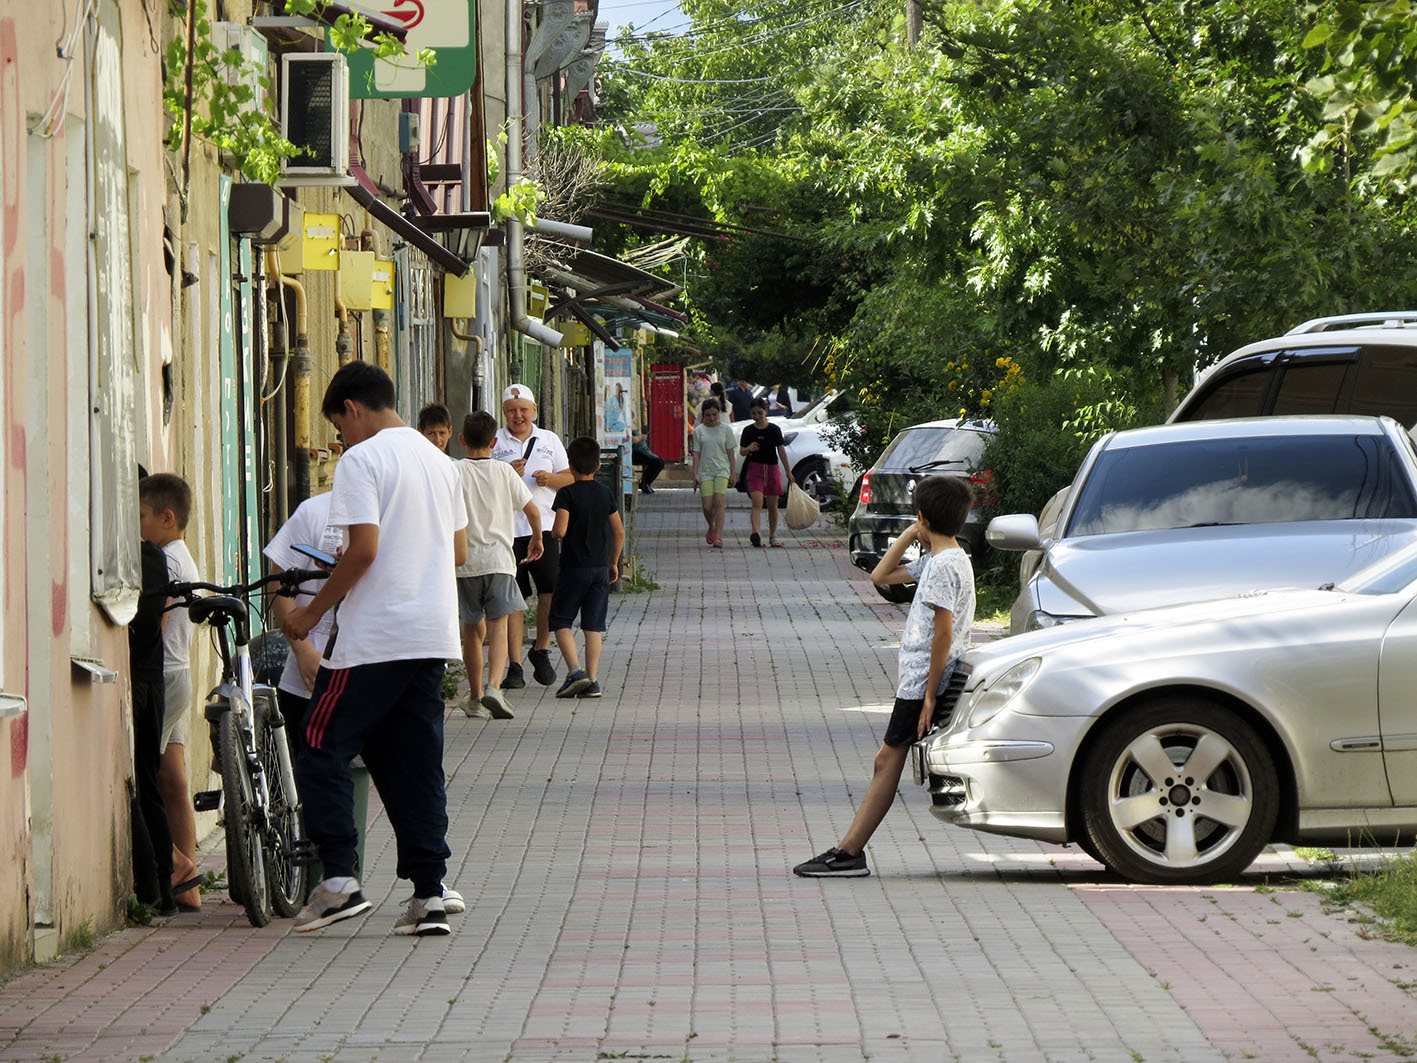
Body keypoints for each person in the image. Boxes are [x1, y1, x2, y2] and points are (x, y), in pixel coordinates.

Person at [280, 361, 468, 938]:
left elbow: (361, 552)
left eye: (340, 427)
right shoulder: (440, 462)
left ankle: (339, 879)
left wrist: (312, 611)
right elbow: (458, 552)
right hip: (432, 633)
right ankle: (429, 895)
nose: (341, 440)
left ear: (353, 409)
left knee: (317, 741)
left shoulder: (362, 460)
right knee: (410, 760)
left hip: (376, 637)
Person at [793, 475, 976, 878]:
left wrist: (929, 695)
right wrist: (916, 531)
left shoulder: (944, 565)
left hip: (923, 682)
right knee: (885, 760)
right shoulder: (942, 559)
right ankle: (849, 850)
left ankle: (849, 852)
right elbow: (880, 576)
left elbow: (943, 633)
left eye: (917, 518)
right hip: (918, 679)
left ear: (924, 515)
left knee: (885, 761)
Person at [138, 473, 204, 911]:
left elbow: (154, 629)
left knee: (144, 777)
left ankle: (177, 864)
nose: (136, 524)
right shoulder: (181, 555)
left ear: (166, 518)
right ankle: (192, 888)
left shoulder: (166, 562)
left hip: (163, 675)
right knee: (174, 778)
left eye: (141, 516)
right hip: (179, 673)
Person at [455, 410, 543, 721]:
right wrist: (536, 539)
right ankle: (495, 686)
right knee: (499, 627)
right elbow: (532, 510)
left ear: (461, 439)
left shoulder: (454, 471)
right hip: (500, 562)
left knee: (471, 631)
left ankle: (476, 696)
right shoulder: (505, 473)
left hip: (464, 565)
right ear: (494, 441)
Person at [491, 384, 573, 689]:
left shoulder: (549, 440)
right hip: (507, 531)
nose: (518, 416)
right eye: (512, 411)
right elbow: (481, 481)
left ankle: (540, 648)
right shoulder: (494, 441)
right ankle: (514, 664)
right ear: (504, 413)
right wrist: (504, 473)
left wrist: (550, 479)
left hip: (545, 530)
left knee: (550, 592)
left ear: (534, 410)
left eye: (524, 410)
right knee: (514, 599)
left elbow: (570, 478)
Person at [263, 490, 342, 762]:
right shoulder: (316, 511)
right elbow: (279, 583)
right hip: (307, 676)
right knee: (308, 774)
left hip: (369, 672)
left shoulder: (393, 513)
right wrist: (303, 652)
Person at [549, 437, 625, 700]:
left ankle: (575, 672)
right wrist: (613, 562)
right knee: (593, 625)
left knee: (560, 620)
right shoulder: (605, 492)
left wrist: (553, 534)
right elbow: (619, 531)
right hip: (599, 569)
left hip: (573, 568)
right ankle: (593, 680)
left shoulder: (566, 493)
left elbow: (560, 530)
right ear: (598, 464)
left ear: (570, 465)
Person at [129, 535, 177, 917]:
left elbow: (144, 622)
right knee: (150, 783)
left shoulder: (131, 552)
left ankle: (151, 887)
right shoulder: (157, 557)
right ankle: (164, 886)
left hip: (138, 679)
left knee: (136, 785)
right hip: (155, 676)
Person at [737, 398, 796, 548]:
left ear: (766, 412)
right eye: (754, 413)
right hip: (755, 468)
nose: (757, 416)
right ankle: (756, 533)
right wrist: (749, 448)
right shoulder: (748, 430)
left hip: (772, 468)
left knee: (772, 504)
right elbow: (742, 451)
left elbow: (781, 451)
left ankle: (772, 536)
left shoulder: (774, 430)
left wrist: (788, 472)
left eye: (760, 413)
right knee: (757, 502)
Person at [691, 400, 736, 549]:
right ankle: (712, 525)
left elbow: (731, 453)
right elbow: (696, 454)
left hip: (722, 469)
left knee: (719, 502)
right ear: (702, 415)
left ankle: (718, 536)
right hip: (705, 471)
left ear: (719, 414)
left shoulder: (726, 430)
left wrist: (733, 473)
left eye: (714, 414)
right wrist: (695, 474)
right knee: (707, 506)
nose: (711, 418)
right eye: (708, 415)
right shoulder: (699, 431)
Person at [631, 427, 664, 494]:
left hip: (642, 452)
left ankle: (646, 483)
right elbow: (630, 440)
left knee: (659, 462)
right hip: (633, 454)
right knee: (656, 462)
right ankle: (645, 483)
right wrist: (640, 437)